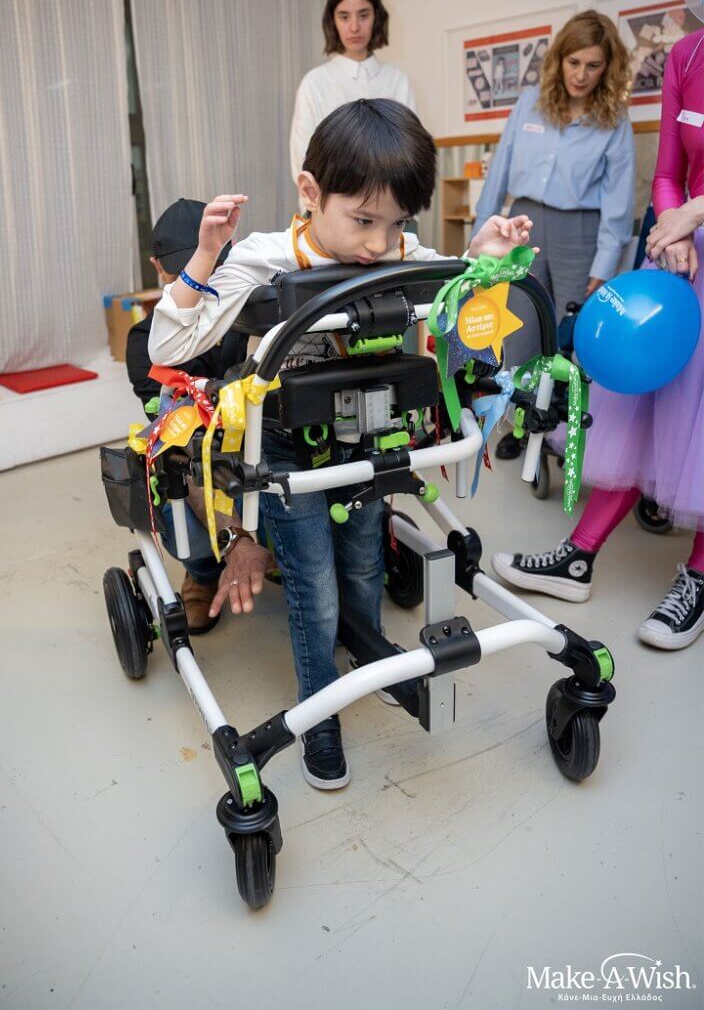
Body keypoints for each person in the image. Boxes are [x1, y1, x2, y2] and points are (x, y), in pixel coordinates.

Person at [150, 98, 533, 790]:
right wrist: (206, 257)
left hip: (369, 437)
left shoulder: (395, 249)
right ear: (310, 192)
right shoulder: (265, 257)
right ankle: (318, 710)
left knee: (362, 566)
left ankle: (369, 658)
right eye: (363, 220)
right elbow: (170, 346)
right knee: (315, 590)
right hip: (289, 453)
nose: (380, 245)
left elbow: (453, 282)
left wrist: (483, 256)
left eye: (398, 224)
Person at [491, 0, 704, 652]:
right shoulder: (684, 59)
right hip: (669, 254)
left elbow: (640, 203)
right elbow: (666, 174)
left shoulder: (611, 120)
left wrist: (689, 215)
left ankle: (697, 574)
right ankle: (576, 548)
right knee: (628, 395)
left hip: (662, 233)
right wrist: (674, 225)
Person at [473, 10, 636, 458]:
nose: (581, 75)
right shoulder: (530, 102)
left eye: (593, 65)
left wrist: (604, 263)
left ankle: (565, 434)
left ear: (607, 68)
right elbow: (498, 172)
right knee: (520, 331)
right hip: (522, 224)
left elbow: (619, 201)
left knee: (574, 337)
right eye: (573, 62)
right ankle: (522, 425)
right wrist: (478, 241)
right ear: (559, 59)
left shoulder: (613, 119)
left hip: (580, 232)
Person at [125, 198, 272, 634]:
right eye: (183, 270)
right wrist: (234, 538)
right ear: (158, 267)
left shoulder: (260, 317)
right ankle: (204, 573)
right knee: (175, 479)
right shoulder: (146, 343)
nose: (202, 280)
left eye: (211, 264)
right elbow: (180, 441)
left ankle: (291, 550)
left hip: (266, 449)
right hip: (201, 460)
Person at [289, 0, 416, 186]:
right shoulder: (314, 83)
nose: (354, 27)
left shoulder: (397, 81)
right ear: (333, 21)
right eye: (344, 17)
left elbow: (412, 156)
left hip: (391, 203)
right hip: (329, 202)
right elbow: (302, 163)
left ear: (376, 17)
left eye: (363, 15)